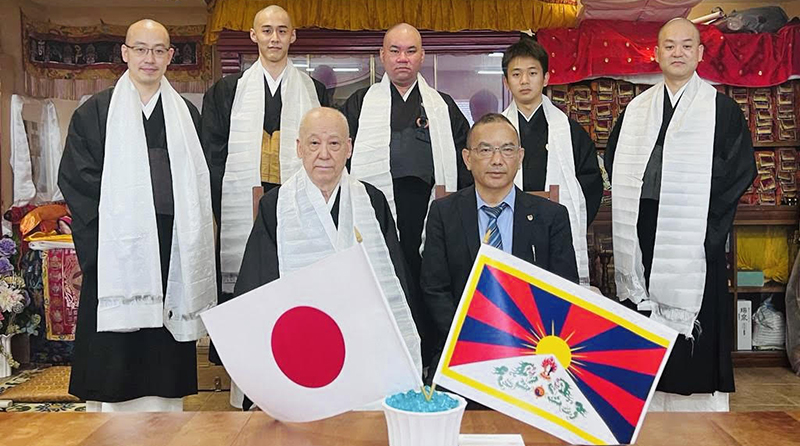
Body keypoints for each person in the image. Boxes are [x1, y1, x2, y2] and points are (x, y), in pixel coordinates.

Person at [58, 19, 216, 412]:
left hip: (170, 246)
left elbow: (201, 185)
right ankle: (110, 417)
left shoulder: (186, 118)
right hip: (117, 249)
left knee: (163, 350)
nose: (150, 58)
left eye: (159, 50)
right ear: (125, 53)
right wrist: (102, 247)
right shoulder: (95, 113)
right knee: (116, 356)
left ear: (170, 57)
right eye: (141, 49)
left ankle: (167, 415)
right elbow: (77, 179)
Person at [604, 18, 756, 411]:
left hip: (694, 235)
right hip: (643, 230)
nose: (677, 53)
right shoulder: (637, 108)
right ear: (656, 53)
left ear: (700, 54)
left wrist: (704, 225)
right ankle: (644, 399)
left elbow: (739, 170)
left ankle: (698, 402)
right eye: (669, 46)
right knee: (642, 307)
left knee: (697, 315)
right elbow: (615, 158)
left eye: (686, 46)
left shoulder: (720, 109)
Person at [234, 107, 422, 409]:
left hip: (362, 340)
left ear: (348, 148)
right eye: (313, 143)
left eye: (334, 144)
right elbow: (259, 284)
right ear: (298, 148)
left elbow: (394, 280)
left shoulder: (371, 200)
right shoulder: (276, 205)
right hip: (301, 337)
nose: (324, 154)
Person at [341, 23, 471, 368]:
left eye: (411, 51)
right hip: (377, 213)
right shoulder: (359, 103)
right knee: (385, 276)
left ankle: (432, 358)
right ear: (382, 56)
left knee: (430, 279)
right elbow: (342, 158)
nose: (403, 59)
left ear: (423, 56)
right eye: (395, 51)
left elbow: (464, 158)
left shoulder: (441, 106)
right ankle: (384, 360)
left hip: (431, 210)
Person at [421, 113, 579, 376]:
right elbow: (434, 288)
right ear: (467, 159)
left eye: (507, 150)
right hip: (462, 346)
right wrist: (472, 340)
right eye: (485, 150)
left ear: (520, 157)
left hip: (533, 351)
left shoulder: (551, 217)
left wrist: (530, 345)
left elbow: (564, 290)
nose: (497, 160)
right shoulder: (443, 213)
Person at [201, 5, 328, 303]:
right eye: (267, 31)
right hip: (243, 202)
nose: (274, 38)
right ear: (253, 35)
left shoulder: (315, 91)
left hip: (294, 198)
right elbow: (213, 153)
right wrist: (228, 197)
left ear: (292, 36)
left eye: (282, 31)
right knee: (249, 279)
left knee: (293, 279)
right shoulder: (226, 91)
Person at [501, 39, 603, 286]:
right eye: (516, 74)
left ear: (546, 78)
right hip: (508, 223)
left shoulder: (570, 131)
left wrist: (565, 222)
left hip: (554, 229)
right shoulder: (496, 130)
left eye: (532, 73)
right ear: (506, 82)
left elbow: (590, 182)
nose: (524, 81)